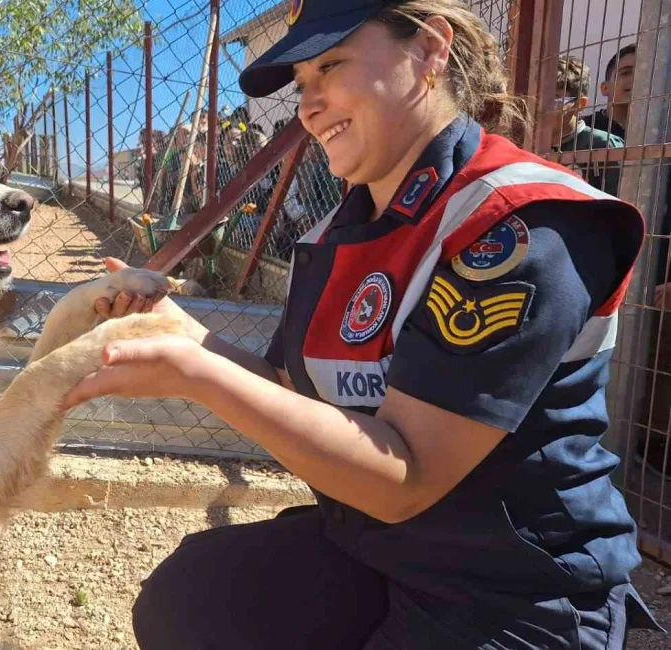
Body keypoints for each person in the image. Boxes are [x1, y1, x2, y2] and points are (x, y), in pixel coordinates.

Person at [58, 0, 666, 647]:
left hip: (514, 588)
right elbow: (289, 387)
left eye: (332, 66)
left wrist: (195, 374)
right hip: (379, 551)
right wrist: (182, 331)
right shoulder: (337, 232)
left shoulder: (518, 221)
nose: (309, 105)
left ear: (431, 49)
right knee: (199, 595)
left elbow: (407, 478)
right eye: (303, 85)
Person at [547, 55, 625, 196]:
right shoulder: (525, 143)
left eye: (554, 99)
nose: (541, 107)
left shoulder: (603, 144)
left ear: (579, 104)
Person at [582, 43, 634, 141]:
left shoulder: (664, 130)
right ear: (605, 88)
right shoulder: (583, 131)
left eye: (645, 72)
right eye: (626, 73)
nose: (637, 78)